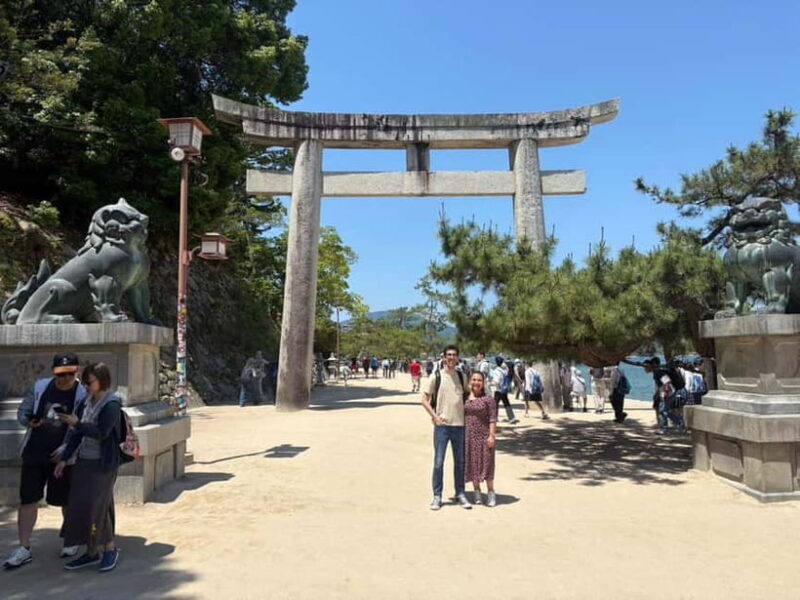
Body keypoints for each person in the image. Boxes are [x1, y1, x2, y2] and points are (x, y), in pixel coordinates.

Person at [3, 353, 89, 570]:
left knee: (66, 500)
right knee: (28, 499)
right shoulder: (40, 387)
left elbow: (83, 427)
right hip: (35, 452)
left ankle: (70, 539)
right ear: (53, 372)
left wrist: (67, 449)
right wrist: (29, 420)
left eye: (69, 374)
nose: (64, 379)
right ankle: (23, 547)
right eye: (60, 374)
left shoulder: (82, 394)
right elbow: (23, 412)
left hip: (63, 456)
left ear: (76, 371)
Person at [55, 362, 123, 572]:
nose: (85, 386)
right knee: (82, 506)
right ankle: (92, 551)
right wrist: (65, 458)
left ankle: (109, 547)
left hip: (103, 462)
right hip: (84, 460)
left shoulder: (111, 404)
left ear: (102, 380)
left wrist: (77, 423)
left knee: (98, 508)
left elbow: (101, 432)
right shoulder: (85, 402)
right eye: (84, 382)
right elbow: (77, 434)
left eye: (89, 382)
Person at [421, 345, 472, 510]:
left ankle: (460, 493)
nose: (451, 358)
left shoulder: (462, 376)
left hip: (460, 425)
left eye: (454, 355)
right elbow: (424, 400)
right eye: (448, 355)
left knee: (460, 462)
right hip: (442, 426)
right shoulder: (436, 376)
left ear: (458, 358)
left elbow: (468, 395)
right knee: (438, 462)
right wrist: (434, 417)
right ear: (444, 357)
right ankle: (437, 496)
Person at [465, 371, 498, 507]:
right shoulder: (465, 397)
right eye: (474, 379)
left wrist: (492, 436)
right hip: (469, 437)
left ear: (483, 383)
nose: (476, 382)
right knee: (472, 464)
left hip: (485, 436)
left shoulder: (489, 399)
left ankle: (491, 492)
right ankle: (477, 491)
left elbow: (493, 419)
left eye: (479, 380)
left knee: (487, 464)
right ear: (470, 381)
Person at [490, 357, 518, 423]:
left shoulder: (497, 371)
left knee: (495, 404)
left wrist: (491, 383)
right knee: (506, 403)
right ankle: (512, 417)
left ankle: (494, 418)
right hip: (504, 389)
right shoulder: (504, 370)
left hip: (498, 389)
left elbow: (497, 381)